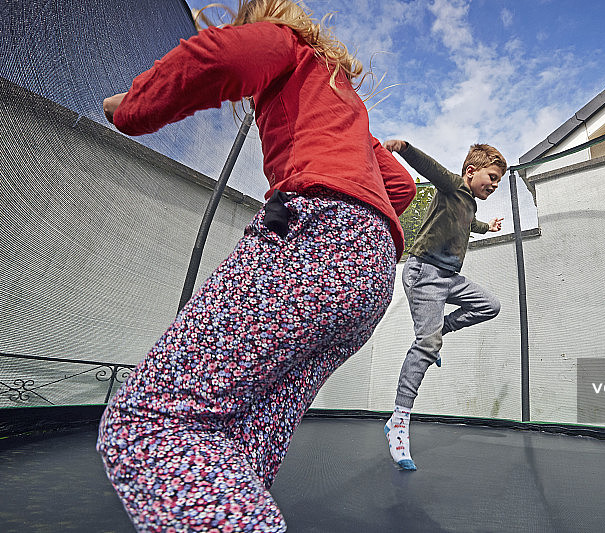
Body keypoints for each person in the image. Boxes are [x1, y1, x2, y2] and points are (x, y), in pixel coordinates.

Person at [96, 1, 416, 531]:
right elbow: (400, 188)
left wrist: (130, 106)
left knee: (151, 423)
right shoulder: (345, 102)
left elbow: (217, 58)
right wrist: (360, 207)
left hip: (316, 240)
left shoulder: (282, 43)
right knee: (244, 438)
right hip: (372, 268)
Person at [382, 139, 506, 470]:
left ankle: (439, 333)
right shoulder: (452, 186)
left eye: (498, 182)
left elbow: (471, 225)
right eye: (492, 178)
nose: (494, 186)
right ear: (471, 171)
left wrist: (488, 227)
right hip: (424, 272)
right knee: (426, 343)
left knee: (490, 305)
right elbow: (431, 168)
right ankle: (398, 419)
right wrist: (405, 148)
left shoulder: (471, 205)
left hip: (449, 277)